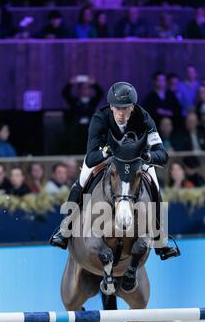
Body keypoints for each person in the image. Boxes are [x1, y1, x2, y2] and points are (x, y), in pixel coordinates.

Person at [50, 81, 179, 261]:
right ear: (110, 106)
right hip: (107, 159)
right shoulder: (100, 118)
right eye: (117, 108)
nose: (120, 113)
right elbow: (91, 158)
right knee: (82, 179)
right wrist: (109, 151)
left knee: (155, 186)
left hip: (136, 162)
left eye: (125, 108)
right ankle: (66, 228)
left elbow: (162, 155)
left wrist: (148, 156)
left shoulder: (144, 118)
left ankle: (161, 239)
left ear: (132, 107)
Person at [62, 75, 103, 154]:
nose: (84, 91)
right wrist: (70, 84)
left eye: (86, 89)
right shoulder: (74, 102)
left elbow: (100, 94)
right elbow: (65, 93)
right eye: (82, 89)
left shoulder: (92, 102)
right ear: (79, 90)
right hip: (77, 128)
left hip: (90, 127)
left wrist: (94, 84)